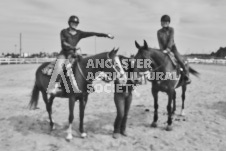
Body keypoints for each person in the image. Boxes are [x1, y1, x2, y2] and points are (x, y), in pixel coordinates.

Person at [48, 15, 114, 94]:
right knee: (59, 66)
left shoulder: (79, 33)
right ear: (69, 23)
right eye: (73, 23)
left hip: (74, 53)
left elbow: (93, 33)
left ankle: (87, 84)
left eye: (76, 23)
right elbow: (63, 43)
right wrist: (73, 47)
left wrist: (106, 35)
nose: (75, 24)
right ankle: (54, 85)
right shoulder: (64, 32)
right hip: (64, 53)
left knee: (85, 66)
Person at [157, 15, 191, 84]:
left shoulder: (171, 29)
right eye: (162, 22)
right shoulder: (159, 32)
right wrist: (162, 50)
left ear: (168, 23)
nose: (164, 23)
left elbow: (171, 39)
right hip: (163, 50)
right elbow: (160, 42)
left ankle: (186, 76)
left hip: (172, 48)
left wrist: (168, 49)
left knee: (180, 60)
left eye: (165, 22)